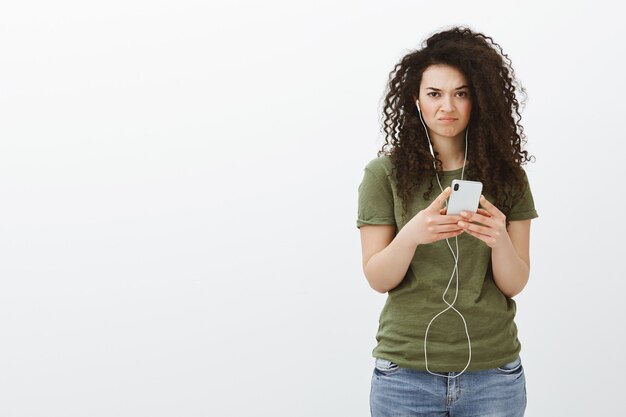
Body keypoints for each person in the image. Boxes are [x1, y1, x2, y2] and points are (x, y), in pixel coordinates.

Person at [356, 26, 538, 417]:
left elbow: (515, 283)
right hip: (404, 374)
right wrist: (411, 236)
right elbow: (377, 278)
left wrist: (499, 240)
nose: (447, 107)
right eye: (434, 94)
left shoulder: (509, 177)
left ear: (480, 100)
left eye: (461, 93)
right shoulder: (383, 174)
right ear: (416, 101)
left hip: (493, 374)